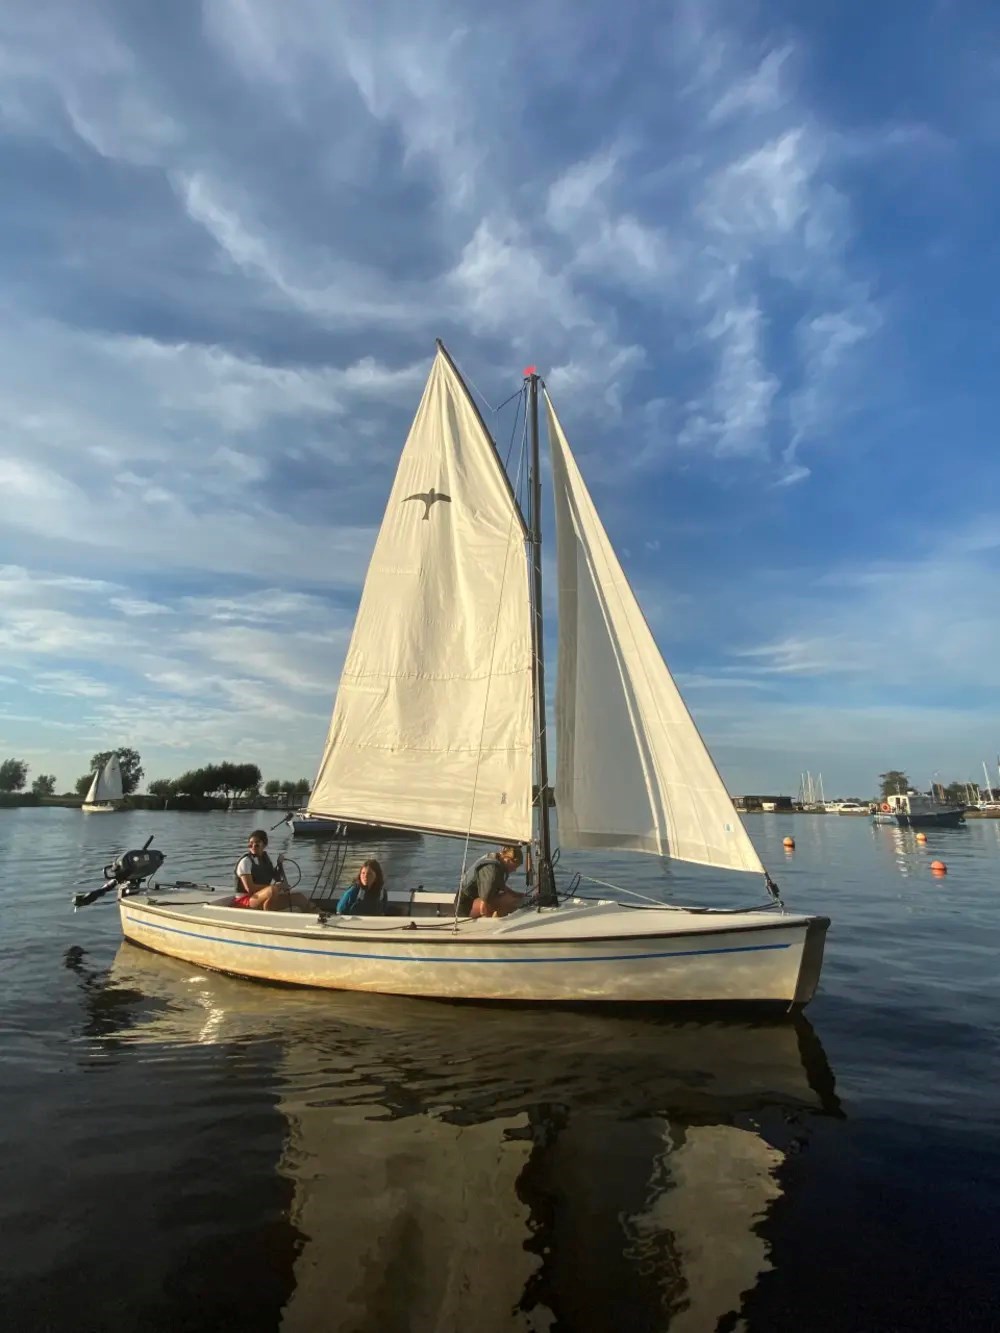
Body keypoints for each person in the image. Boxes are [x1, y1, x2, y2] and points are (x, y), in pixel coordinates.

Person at [233, 829, 309, 911]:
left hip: (262, 896)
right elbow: (250, 888)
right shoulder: (245, 862)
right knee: (272, 890)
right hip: (245, 900)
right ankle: (269, 915)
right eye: (251, 844)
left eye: (257, 843)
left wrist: (279, 864)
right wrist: (277, 887)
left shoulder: (265, 859)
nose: (253, 846)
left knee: (300, 898)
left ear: (264, 844)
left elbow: (276, 878)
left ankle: (314, 914)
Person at [456, 845, 524, 919]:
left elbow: (498, 884)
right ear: (507, 859)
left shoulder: (498, 861)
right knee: (506, 900)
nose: (515, 870)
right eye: (515, 866)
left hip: (477, 898)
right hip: (465, 901)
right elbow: (485, 897)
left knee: (508, 897)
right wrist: (486, 915)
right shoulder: (491, 870)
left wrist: (514, 893)